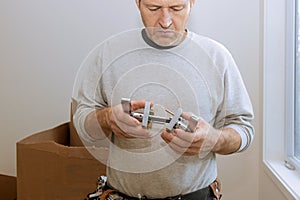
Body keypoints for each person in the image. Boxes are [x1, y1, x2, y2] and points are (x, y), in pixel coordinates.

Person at [72, 0, 255, 199]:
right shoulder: (108, 53)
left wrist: (213, 139)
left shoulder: (217, 57)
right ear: (138, 3)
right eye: (153, 8)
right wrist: (107, 118)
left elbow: (244, 130)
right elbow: (82, 123)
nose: (165, 21)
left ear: (191, 3)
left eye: (177, 8)